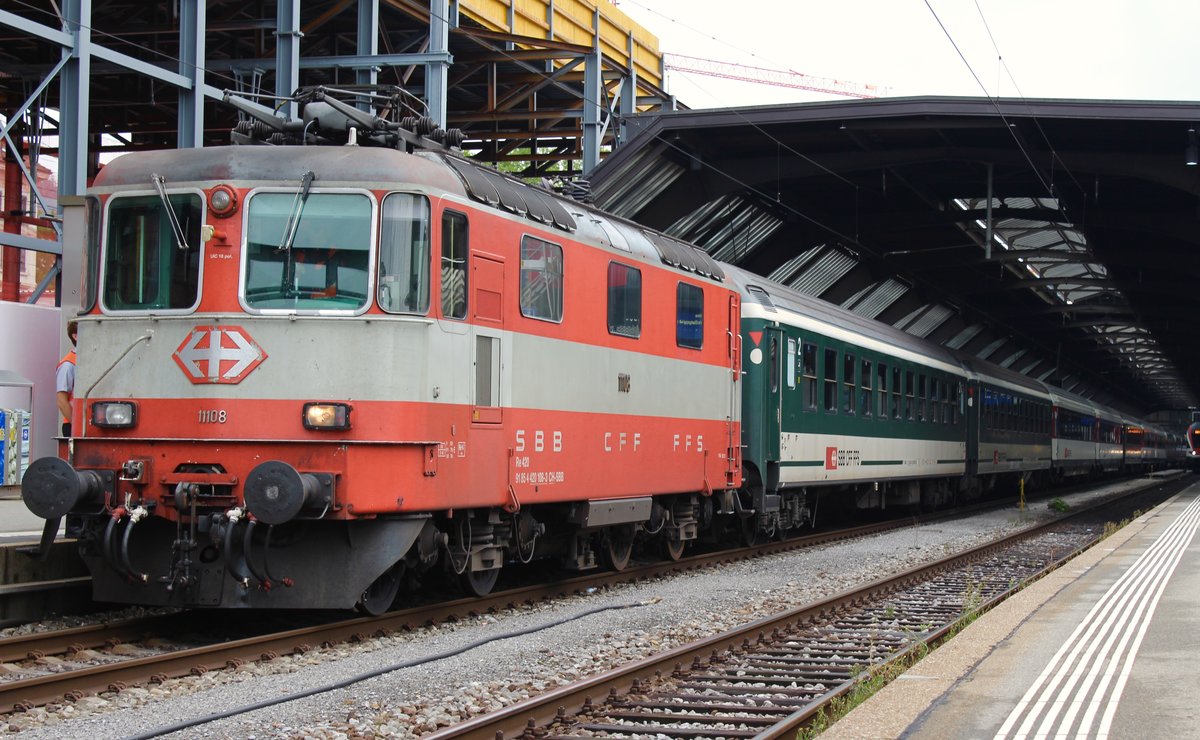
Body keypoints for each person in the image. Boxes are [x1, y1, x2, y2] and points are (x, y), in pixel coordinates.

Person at [56, 320, 78, 437]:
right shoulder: (68, 365)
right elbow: (61, 401)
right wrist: (77, 425)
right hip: (72, 426)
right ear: (75, 336)